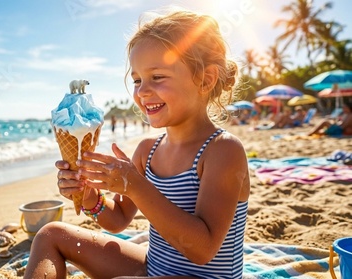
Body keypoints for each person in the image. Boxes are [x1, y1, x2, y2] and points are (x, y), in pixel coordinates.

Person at [24, 8, 250, 279]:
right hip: (155, 268)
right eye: (137, 80)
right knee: (50, 235)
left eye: (157, 77)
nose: (142, 91)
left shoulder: (223, 151)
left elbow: (203, 249)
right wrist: (89, 196)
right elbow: (118, 219)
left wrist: (136, 185)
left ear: (205, 79)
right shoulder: (148, 150)